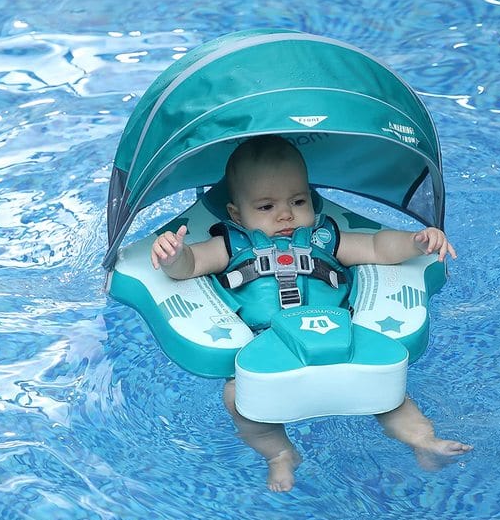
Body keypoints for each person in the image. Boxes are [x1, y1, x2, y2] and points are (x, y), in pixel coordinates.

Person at [151, 135, 472, 492]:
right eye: (266, 207)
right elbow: (190, 265)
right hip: (269, 349)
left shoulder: (324, 238)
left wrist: (415, 241)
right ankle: (279, 453)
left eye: (298, 200)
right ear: (236, 214)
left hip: (341, 340)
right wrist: (173, 256)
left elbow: (377, 247)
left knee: (389, 394)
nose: (286, 214)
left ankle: (423, 441)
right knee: (237, 397)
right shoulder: (231, 244)